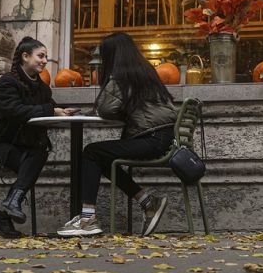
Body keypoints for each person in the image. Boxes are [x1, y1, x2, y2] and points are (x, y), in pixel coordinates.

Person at [57, 32, 177, 237]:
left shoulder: (122, 75)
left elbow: (104, 109)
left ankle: (87, 219)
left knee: (91, 152)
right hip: (160, 137)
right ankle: (148, 202)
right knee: (100, 157)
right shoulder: (143, 70)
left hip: (152, 139)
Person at [0, 37, 77, 238]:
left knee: (38, 154)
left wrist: (63, 112)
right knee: (32, 161)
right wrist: (52, 110)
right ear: (25, 56)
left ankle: (5, 216)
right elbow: (16, 111)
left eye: (46, 57)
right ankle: (6, 213)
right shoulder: (7, 82)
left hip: (18, 145)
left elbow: (47, 108)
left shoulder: (41, 88)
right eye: (40, 56)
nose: (44, 61)